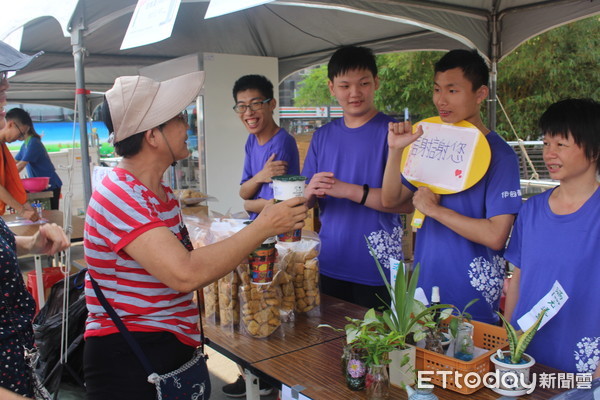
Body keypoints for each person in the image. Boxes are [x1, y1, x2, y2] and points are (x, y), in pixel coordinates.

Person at [83, 72, 307, 400]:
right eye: (180, 117)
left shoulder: (159, 193)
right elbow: (184, 272)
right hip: (132, 359)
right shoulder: (118, 194)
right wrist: (263, 227)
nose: (187, 126)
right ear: (152, 136)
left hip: (169, 349)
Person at [382, 49, 522, 324]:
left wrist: (434, 211)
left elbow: (496, 235)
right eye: (437, 89)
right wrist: (395, 151)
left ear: (480, 94)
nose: (441, 100)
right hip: (426, 287)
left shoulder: (501, 156)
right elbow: (391, 199)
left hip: (471, 295)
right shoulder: (429, 140)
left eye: (452, 90)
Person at [301, 45, 411, 309]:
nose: (354, 93)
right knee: (329, 347)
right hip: (330, 262)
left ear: (376, 83)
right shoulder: (322, 136)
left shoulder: (395, 135)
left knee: (379, 347)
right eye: (344, 85)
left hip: (379, 268)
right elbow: (303, 202)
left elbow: (407, 203)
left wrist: (347, 190)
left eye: (363, 83)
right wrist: (307, 193)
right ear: (331, 88)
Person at [504, 98, 600, 378]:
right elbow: (517, 279)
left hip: (585, 365)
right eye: (546, 143)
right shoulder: (531, 209)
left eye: (561, 144)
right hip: (528, 356)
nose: (549, 153)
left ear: (593, 150)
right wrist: (509, 340)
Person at [233, 74, 300, 219]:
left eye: (256, 104)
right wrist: (259, 177)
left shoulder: (281, 143)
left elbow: (277, 205)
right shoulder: (252, 140)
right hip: (259, 229)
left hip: (278, 232)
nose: (248, 112)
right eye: (242, 106)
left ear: (272, 104)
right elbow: (244, 192)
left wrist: (247, 205)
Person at [5, 107, 63, 210]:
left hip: (51, 184)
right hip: (40, 186)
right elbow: (13, 163)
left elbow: (21, 165)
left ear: (26, 128)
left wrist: (7, 180)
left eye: (20, 133)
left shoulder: (34, 143)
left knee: (51, 216)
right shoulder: (26, 144)